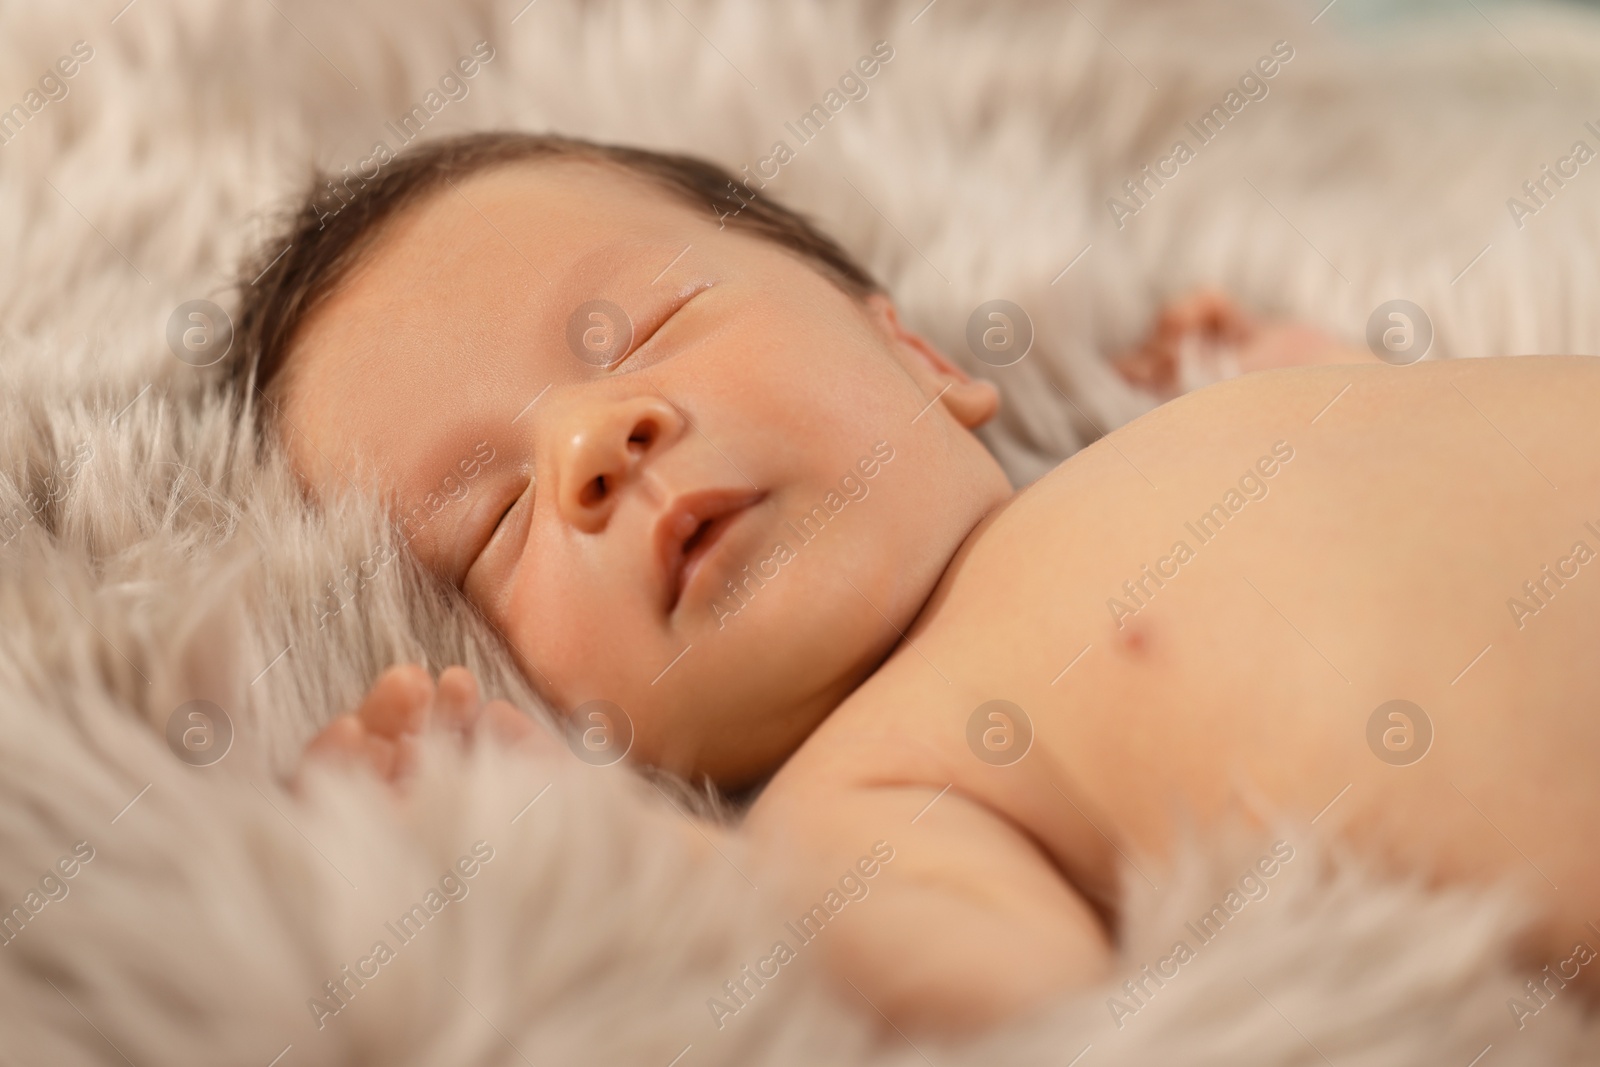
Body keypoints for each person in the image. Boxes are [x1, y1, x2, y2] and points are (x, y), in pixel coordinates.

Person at [235, 132, 1600, 1036]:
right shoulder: (869, 793)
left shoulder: (1151, 458)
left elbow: (1397, 460)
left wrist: (1293, 366)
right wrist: (596, 842)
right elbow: (1031, 1006)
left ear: (919, 357)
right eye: (496, 516)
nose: (594, 441)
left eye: (644, 327)